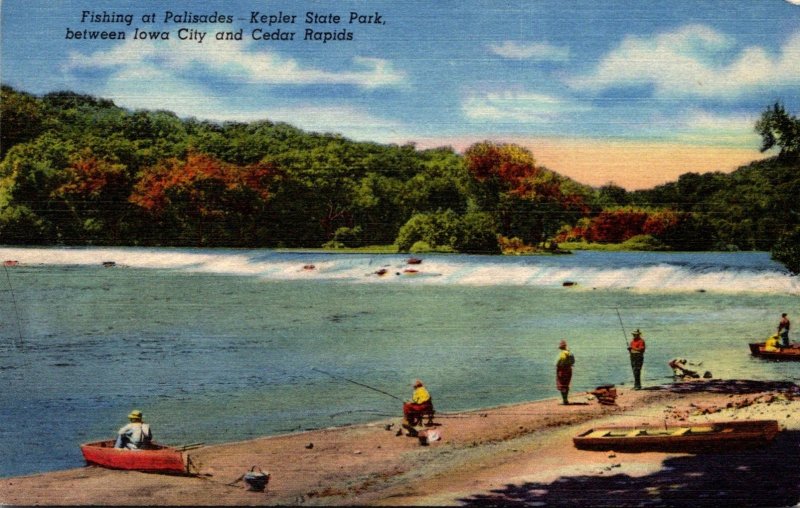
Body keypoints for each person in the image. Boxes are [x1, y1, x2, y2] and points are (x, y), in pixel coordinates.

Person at [556, 340, 575, 405]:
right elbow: (573, 361)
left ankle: (565, 400)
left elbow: (558, 362)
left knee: (562, 384)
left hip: (562, 370)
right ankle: (566, 399)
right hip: (569, 369)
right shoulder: (570, 353)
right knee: (566, 384)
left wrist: (558, 365)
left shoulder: (562, 353)